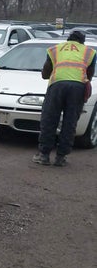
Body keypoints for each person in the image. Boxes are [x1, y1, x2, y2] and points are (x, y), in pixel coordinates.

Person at [33, 30, 96, 166]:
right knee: (70, 121)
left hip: (57, 85)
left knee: (49, 119)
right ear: (82, 41)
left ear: (68, 39)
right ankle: (61, 158)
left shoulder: (54, 49)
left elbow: (45, 74)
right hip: (78, 88)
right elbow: (89, 76)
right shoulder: (89, 52)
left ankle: (44, 155)